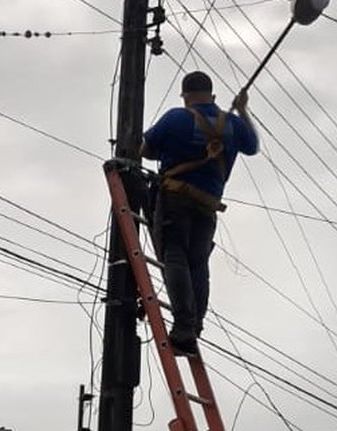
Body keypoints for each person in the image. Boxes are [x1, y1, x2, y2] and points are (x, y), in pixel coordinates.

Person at [141, 71, 258, 354]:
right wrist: (242, 111)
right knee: (197, 265)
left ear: (186, 97)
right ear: (213, 97)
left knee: (175, 257)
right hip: (208, 205)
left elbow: (145, 150)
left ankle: (183, 327)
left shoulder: (177, 119)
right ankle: (195, 327)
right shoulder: (229, 124)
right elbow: (252, 146)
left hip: (176, 199)